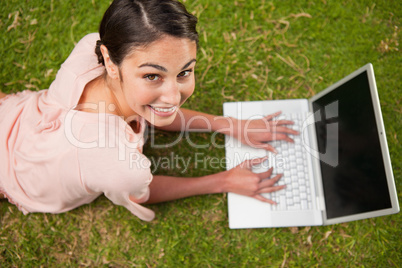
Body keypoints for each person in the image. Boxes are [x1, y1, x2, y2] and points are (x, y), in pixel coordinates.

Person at [0, 0, 298, 221]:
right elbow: (143, 189)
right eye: (152, 76)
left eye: (184, 72)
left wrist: (231, 125)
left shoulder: (93, 45)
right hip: (18, 174)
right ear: (109, 60)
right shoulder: (116, 164)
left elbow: (156, 110)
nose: (173, 96)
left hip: (19, 117)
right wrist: (224, 181)